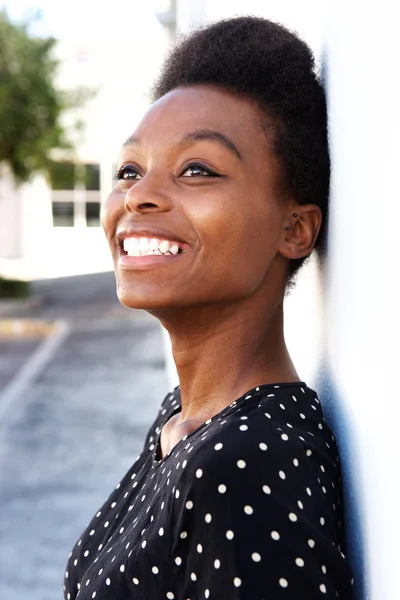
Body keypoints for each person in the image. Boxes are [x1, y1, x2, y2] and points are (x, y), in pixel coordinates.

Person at [64, 16, 354, 599]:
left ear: (295, 229)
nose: (137, 195)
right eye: (129, 170)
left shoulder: (248, 466)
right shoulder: (184, 421)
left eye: (197, 169)